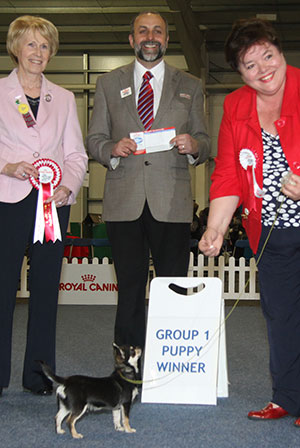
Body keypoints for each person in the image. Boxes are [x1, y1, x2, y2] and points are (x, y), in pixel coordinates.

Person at [87, 11, 210, 350]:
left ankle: (171, 360)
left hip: (171, 202)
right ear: (132, 39)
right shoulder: (108, 84)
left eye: (158, 30)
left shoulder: (190, 85)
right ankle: (128, 368)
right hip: (123, 201)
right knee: (129, 286)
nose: (150, 36)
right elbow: (94, 138)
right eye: (143, 31)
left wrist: (194, 145)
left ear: (167, 39)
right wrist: (113, 148)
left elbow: (205, 139)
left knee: (173, 285)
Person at [199, 17, 300, 427]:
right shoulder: (236, 106)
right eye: (250, 65)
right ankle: (288, 397)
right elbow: (227, 173)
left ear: (281, 53)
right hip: (271, 232)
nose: (264, 70)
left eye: (268, 57)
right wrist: (216, 227)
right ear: (239, 74)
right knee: (281, 316)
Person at [0, 15, 87, 396]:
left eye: (45, 45)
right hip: (8, 197)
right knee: (3, 288)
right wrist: (7, 166)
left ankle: (38, 376)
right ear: (16, 48)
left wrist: (67, 187)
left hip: (52, 202)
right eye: (31, 44)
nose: (38, 52)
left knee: (47, 290)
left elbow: (76, 155)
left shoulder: (64, 98)